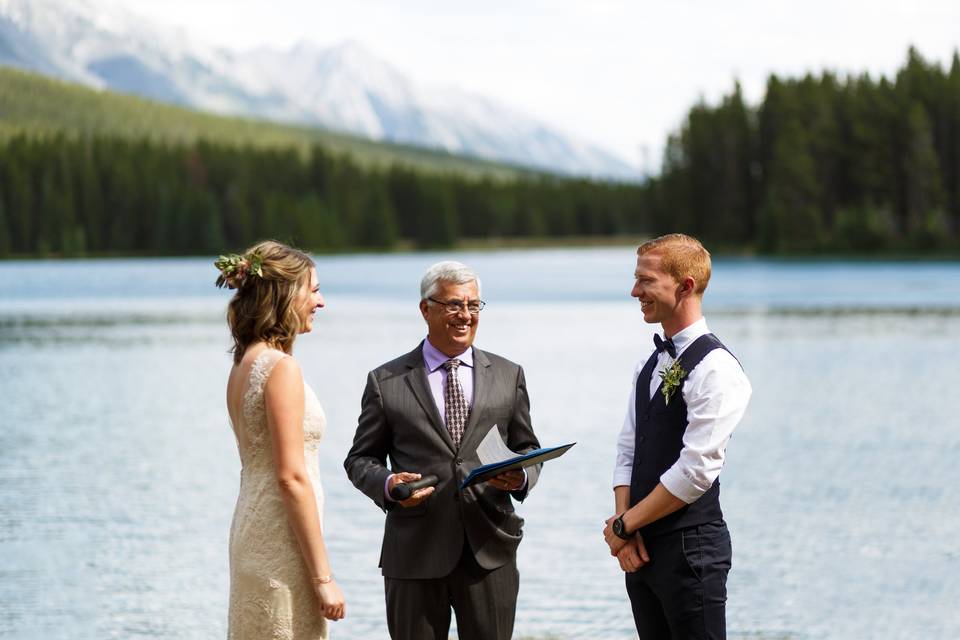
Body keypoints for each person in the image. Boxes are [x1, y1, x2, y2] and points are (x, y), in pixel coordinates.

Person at [344, 260, 541, 640]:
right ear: (425, 309)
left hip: (490, 550)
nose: (464, 315)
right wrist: (388, 485)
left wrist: (521, 477)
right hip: (414, 554)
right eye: (453, 305)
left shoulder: (508, 374)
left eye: (473, 305)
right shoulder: (386, 382)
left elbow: (526, 446)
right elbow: (359, 460)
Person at [602, 234, 751, 639]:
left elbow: (696, 472)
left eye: (646, 281)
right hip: (640, 551)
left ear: (685, 286)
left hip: (691, 554)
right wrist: (624, 528)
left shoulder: (717, 369)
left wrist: (623, 525)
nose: (635, 291)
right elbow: (627, 447)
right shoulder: (649, 362)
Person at [220, 240, 345, 639]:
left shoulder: (243, 364)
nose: (321, 302)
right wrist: (323, 577)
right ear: (286, 293)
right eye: (314, 290)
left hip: (252, 530)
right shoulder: (281, 368)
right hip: (281, 542)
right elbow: (291, 477)